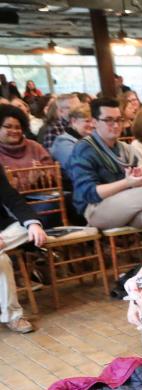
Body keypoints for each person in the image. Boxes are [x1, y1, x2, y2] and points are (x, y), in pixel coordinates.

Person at [69, 98, 142, 243]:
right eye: (109, 120)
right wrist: (127, 182)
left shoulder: (125, 149)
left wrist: (139, 180)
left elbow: (140, 182)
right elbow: (89, 193)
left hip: (126, 205)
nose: (116, 125)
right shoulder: (84, 148)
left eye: (119, 119)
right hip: (96, 210)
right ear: (94, 122)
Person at [0, 165, 46, 333]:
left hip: (3, 232)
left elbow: (12, 199)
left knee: (29, 228)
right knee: (1, 259)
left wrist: (32, 223)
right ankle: (13, 316)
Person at [0, 105, 53, 171]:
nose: (14, 131)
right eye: (8, 127)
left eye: (18, 127)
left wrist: (42, 173)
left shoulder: (34, 147)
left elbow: (52, 170)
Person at [51, 105, 94, 172]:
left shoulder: (92, 139)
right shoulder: (62, 142)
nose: (92, 125)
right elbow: (77, 168)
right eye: (87, 121)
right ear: (74, 121)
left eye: (93, 121)